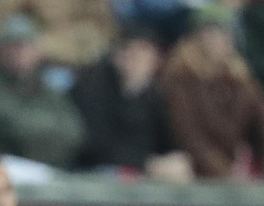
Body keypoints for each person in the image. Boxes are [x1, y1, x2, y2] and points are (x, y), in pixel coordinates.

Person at [159, 3, 264, 179]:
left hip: (232, 171)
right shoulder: (179, 77)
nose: (220, 39)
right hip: (191, 172)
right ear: (196, 37)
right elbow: (188, 134)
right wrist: (224, 173)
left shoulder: (241, 79)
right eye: (212, 33)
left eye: (226, 34)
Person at [70, 26, 191, 179]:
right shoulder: (91, 87)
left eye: (146, 55)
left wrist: (174, 159)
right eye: (133, 53)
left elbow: (168, 140)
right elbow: (94, 144)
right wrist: (147, 163)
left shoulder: (154, 95)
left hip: (143, 170)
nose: (139, 61)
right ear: (118, 55)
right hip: (96, 169)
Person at [0, 13, 86, 169]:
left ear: (38, 50)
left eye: (25, 45)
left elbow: (74, 131)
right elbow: (19, 127)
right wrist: (51, 132)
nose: (18, 52)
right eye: (11, 46)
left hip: (48, 167)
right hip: (0, 165)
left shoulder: (44, 85)